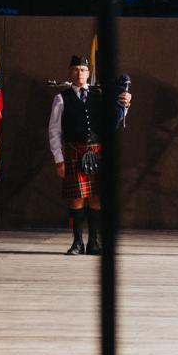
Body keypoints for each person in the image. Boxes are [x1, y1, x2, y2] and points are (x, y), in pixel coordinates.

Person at [47, 56, 133, 256]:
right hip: (74, 151)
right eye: (76, 70)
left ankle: (94, 242)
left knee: (97, 198)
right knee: (76, 199)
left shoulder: (101, 94)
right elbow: (54, 131)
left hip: (98, 152)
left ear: (88, 73)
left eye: (84, 70)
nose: (80, 74)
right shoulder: (61, 98)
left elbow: (114, 118)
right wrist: (59, 159)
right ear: (70, 73)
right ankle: (77, 243)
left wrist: (125, 104)